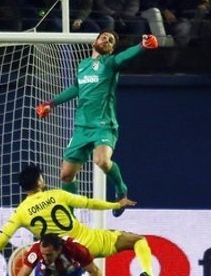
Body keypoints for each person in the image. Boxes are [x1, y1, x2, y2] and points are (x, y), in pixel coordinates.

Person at [0, 163, 164, 276]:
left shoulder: (21, 212)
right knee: (137, 240)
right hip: (90, 241)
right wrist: (115, 204)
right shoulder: (57, 194)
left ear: (23, 188)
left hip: (63, 253)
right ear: (40, 182)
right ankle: (147, 271)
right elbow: (89, 203)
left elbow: (4, 237)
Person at [35, 30, 158, 216]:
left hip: (103, 125)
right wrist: (51, 103)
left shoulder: (109, 63)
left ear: (111, 49)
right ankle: (70, 217)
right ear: (95, 41)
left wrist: (142, 46)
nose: (106, 40)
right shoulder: (83, 65)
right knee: (66, 175)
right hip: (81, 128)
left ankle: (120, 187)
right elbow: (76, 88)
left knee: (101, 161)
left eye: (111, 41)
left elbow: (124, 57)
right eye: (104, 37)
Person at [14, 233, 120, 276]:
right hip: (47, 272)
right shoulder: (36, 250)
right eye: (43, 254)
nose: (45, 257)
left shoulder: (76, 249)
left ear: (59, 249)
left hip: (71, 270)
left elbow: (96, 273)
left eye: (49, 254)